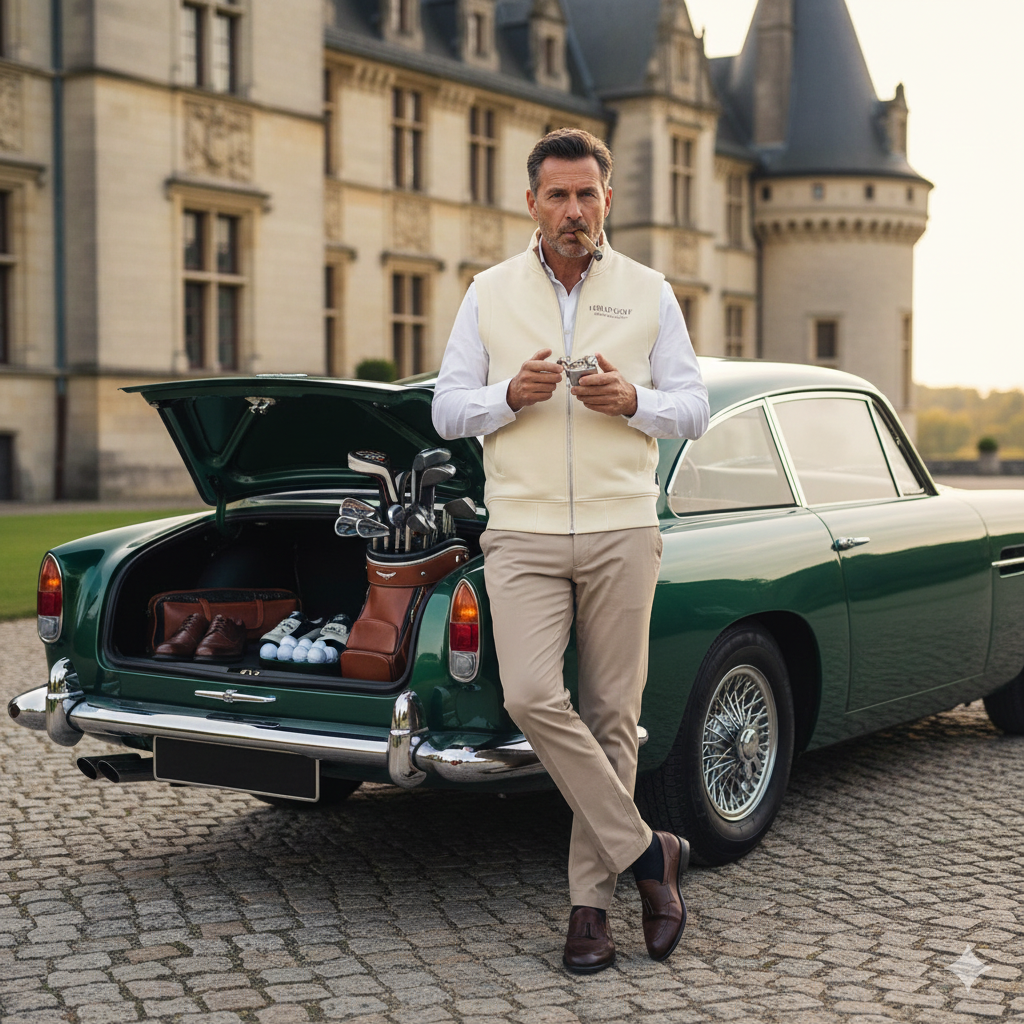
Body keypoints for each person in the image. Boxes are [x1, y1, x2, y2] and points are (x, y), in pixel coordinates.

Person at [431, 128, 709, 973]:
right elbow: (446, 411)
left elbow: (694, 406)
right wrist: (505, 396)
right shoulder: (488, 291)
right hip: (521, 528)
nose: (573, 211)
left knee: (613, 717)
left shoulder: (650, 290)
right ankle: (648, 852)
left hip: (624, 525)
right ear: (531, 203)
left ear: (607, 200)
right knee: (528, 695)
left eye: (587, 194)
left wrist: (636, 401)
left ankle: (590, 909)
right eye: (558, 195)